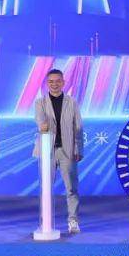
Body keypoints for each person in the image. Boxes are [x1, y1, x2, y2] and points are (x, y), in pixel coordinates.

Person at [33, 69, 84, 234]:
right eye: (51, 81)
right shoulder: (40, 102)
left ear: (63, 82)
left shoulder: (72, 102)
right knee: (46, 188)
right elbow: (40, 122)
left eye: (57, 81)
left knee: (71, 188)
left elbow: (78, 127)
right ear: (47, 84)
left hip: (67, 150)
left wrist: (78, 148)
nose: (54, 84)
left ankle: (73, 220)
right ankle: (45, 222)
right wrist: (43, 126)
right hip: (47, 150)